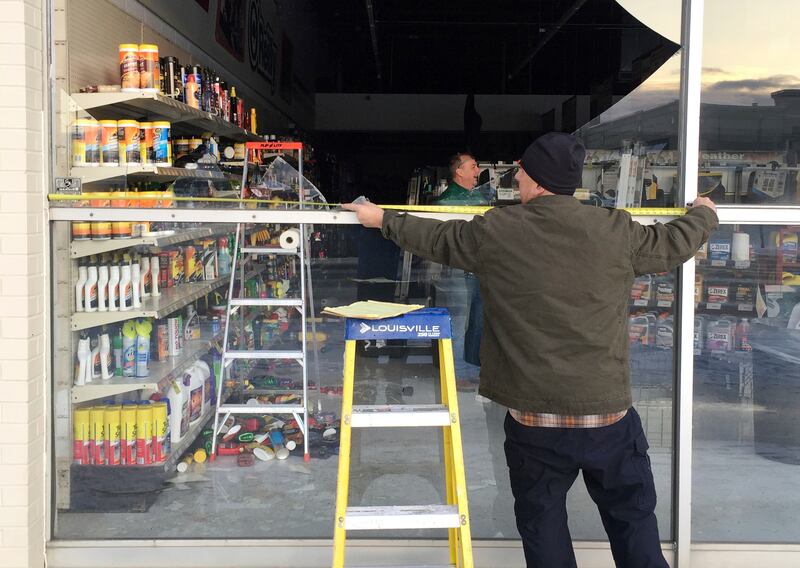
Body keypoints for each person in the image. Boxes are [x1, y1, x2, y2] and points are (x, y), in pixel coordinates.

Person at [344, 132, 719, 568]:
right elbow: (674, 242)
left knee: (544, 528)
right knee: (632, 523)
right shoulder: (615, 229)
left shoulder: (498, 231)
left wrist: (380, 218)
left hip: (534, 420)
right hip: (607, 417)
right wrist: (704, 213)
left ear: (538, 181)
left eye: (521, 172)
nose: (516, 178)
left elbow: (437, 237)